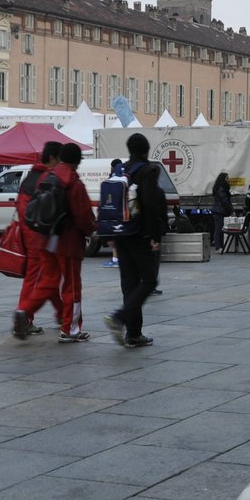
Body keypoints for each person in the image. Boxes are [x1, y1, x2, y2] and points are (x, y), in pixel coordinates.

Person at [102, 133, 168, 349]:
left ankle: (133, 334)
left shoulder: (121, 169)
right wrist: (155, 235)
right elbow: (149, 203)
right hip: (139, 234)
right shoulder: (149, 170)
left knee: (130, 285)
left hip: (121, 233)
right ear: (146, 150)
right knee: (149, 281)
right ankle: (119, 319)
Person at [43, 142, 96, 342]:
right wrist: (93, 230)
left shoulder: (51, 176)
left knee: (61, 283)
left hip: (51, 239)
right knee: (73, 286)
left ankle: (69, 325)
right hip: (70, 241)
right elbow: (83, 216)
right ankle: (70, 329)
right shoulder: (73, 182)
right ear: (78, 160)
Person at [11, 142, 59, 338]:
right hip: (41, 237)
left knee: (49, 277)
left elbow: (22, 209)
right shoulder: (46, 179)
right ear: (53, 158)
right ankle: (24, 316)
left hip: (30, 234)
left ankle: (62, 315)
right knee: (42, 278)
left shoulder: (29, 178)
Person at [101, 158, 124, 267]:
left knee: (112, 238)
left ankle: (116, 259)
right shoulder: (126, 177)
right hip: (123, 213)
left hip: (112, 212)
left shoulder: (112, 179)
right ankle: (117, 259)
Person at [211, 171, 233, 251]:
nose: (228, 180)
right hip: (219, 211)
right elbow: (225, 201)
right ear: (223, 179)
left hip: (219, 211)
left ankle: (220, 246)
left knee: (220, 229)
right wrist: (231, 211)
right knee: (219, 229)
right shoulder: (221, 189)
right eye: (227, 178)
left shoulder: (221, 188)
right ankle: (218, 247)